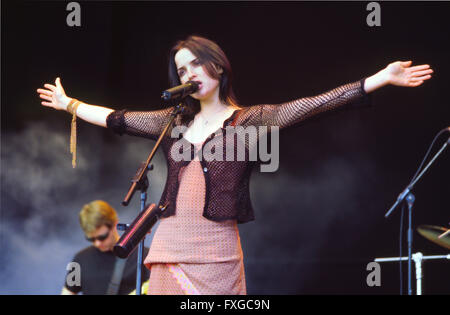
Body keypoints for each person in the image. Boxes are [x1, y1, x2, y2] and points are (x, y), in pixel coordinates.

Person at [39, 36, 433, 295]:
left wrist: (379, 79)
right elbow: (116, 118)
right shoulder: (173, 121)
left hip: (217, 253)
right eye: (181, 70)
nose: (189, 74)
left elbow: (315, 104)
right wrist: (69, 104)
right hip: (170, 244)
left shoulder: (250, 120)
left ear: (218, 67)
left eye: (195, 64)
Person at [62, 200, 149, 295]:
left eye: (102, 237)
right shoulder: (79, 259)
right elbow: (67, 292)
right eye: (91, 239)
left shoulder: (144, 256)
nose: (97, 243)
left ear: (115, 224)